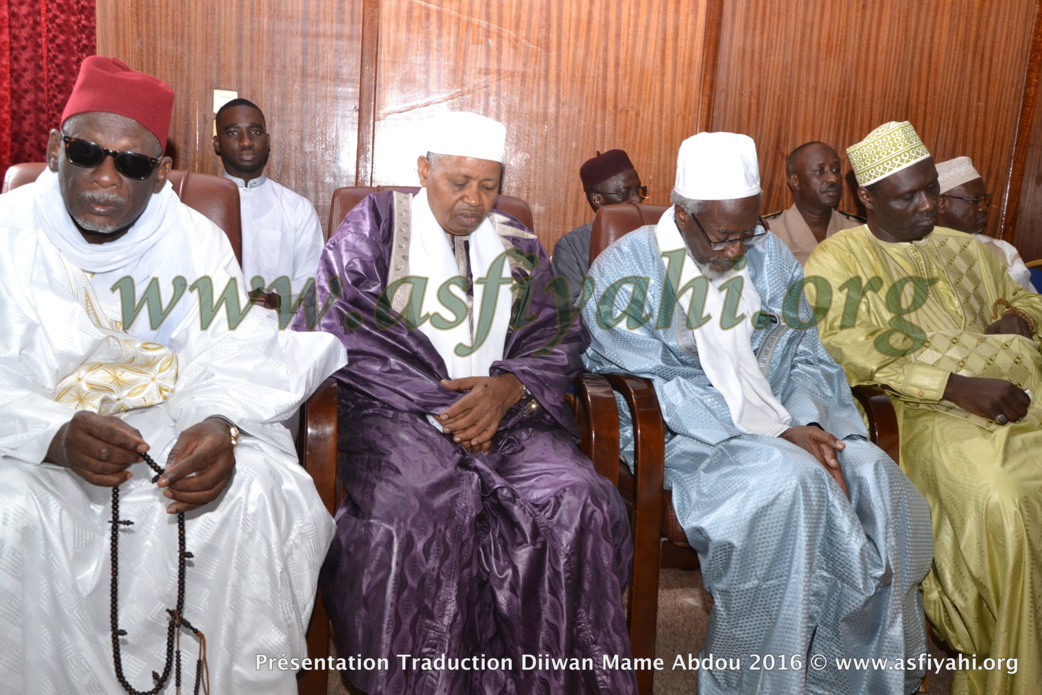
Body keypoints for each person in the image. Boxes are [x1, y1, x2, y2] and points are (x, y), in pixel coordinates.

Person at [0, 57, 345, 693]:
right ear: (54, 152)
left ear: (160, 174)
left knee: (265, 496)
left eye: (131, 163)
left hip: (171, 437)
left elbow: (236, 351)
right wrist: (50, 434)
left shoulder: (196, 240)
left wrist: (221, 425)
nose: (106, 178)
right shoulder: (8, 232)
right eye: (87, 152)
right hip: (32, 453)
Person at [294, 112, 635, 694]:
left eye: (489, 184)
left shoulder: (519, 243)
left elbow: (556, 334)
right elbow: (341, 322)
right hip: (395, 415)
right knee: (415, 515)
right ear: (423, 170)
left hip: (509, 418)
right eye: (459, 182)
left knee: (578, 500)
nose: (475, 201)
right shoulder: (373, 226)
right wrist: (448, 407)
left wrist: (506, 388)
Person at [583, 131, 933, 695]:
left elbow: (807, 354)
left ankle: (863, 681)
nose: (737, 249)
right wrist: (776, 434)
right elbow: (656, 384)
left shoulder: (768, 253)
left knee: (874, 476)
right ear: (681, 214)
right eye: (723, 235)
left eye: (747, 230)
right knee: (791, 485)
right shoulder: (624, 268)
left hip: (781, 419)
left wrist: (815, 426)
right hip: (685, 435)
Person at [805, 121, 1042, 695]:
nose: (929, 204)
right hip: (919, 414)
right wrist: (952, 384)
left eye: (932, 189)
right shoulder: (837, 262)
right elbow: (844, 349)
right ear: (867, 197)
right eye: (909, 194)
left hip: (1020, 398)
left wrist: (1022, 321)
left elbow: (1027, 302)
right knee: (1001, 499)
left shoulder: (972, 251)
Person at [213, 97, 324, 310]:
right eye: (232, 133)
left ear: (268, 140)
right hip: (209, 330)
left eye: (256, 132)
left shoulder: (297, 209)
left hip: (279, 330)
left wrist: (277, 299)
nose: (246, 142)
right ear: (217, 144)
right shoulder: (194, 206)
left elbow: (315, 284)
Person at [552, 149, 646, 303]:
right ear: (598, 200)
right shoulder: (571, 247)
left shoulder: (658, 234)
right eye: (625, 193)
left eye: (638, 190)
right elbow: (571, 313)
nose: (637, 199)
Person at [935, 155, 1037, 291]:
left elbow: (1028, 305)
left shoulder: (1003, 250)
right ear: (941, 203)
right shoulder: (914, 250)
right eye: (975, 200)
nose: (984, 208)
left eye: (984, 199)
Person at [763, 141, 863, 265]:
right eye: (820, 171)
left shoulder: (860, 232)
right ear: (795, 181)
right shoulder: (767, 235)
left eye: (836, 170)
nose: (833, 178)